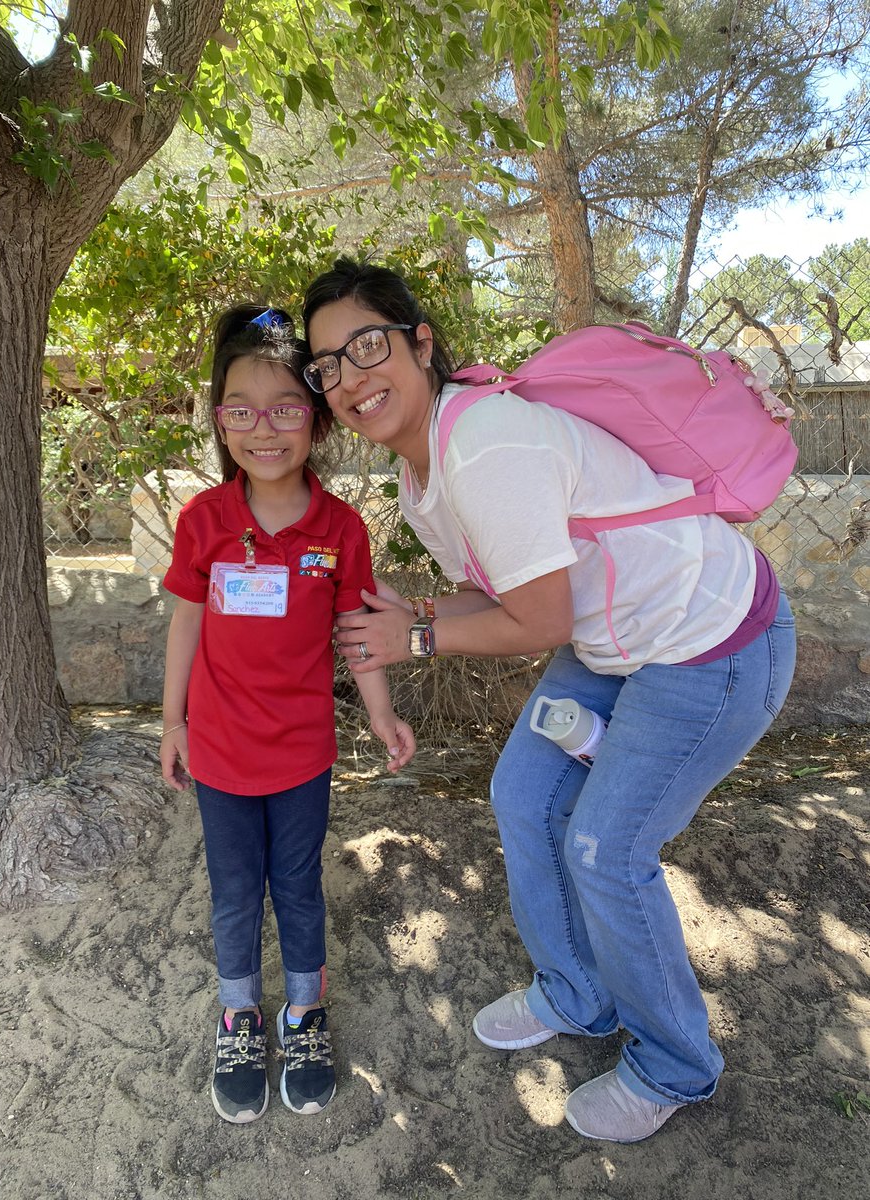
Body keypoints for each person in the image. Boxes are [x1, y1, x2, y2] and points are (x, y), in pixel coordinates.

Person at [300, 259, 797, 1144]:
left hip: (710, 642)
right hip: (611, 645)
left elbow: (534, 618)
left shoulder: (485, 444)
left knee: (608, 848)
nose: (348, 378)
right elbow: (513, 594)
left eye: (366, 346)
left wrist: (414, 638)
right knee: (524, 796)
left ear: (421, 344)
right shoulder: (422, 478)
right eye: (327, 365)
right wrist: (418, 614)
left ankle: (677, 1063)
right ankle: (579, 992)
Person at [160, 304, 415, 1125]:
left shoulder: (339, 530)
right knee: (236, 893)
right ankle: (241, 1019)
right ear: (219, 418)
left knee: (298, 889)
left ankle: (305, 1018)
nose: (263, 430)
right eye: (240, 409)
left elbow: (358, 634)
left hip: (304, 755)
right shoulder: (204, 520)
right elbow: (187, 625)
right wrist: (173, 723)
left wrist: (380, 715)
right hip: (221, 758)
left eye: (284, 409)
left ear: (315, 419)